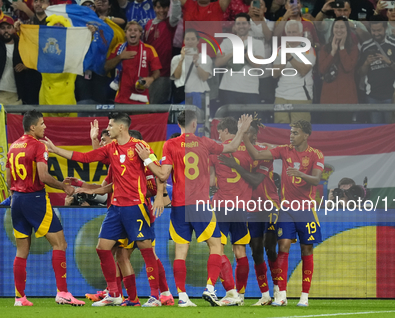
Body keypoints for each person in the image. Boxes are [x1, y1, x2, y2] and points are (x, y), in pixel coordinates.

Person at [42, 112, 164, 307]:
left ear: (121, 127)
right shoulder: (110, 149)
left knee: (146, 250)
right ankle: (114, 294)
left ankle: (156, 297)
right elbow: (85, 157)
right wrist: (56, 150)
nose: (107, 128)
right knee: (102, 247)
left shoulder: (141, 147)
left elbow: (161, 174)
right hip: (115, 208)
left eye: (110, 125)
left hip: (135, 206)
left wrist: (158, 195)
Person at [138, 110, 251, 306]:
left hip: (180, 206)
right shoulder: (204, 142)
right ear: (194, 124)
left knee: (181, 251)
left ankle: (182, 297)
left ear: (178, 124)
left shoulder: (170, 144)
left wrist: (147, 159)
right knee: (216, 246)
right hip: (200, 204)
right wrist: (241, 130)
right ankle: (210, 288)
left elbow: (163, 176)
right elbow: (232, 146)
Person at [7, 110, 84, 307]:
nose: (45, 127)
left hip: (16, 200)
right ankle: (63, 293)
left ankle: (19, 298)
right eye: (42, 123)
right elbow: (43, 176)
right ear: (32, 127)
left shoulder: (13, 147)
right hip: (35, 199)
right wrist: (64, 186)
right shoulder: (38, 146)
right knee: (60, 244)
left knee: (21, 251)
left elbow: (8, 180)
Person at [243, 119, 324, 307]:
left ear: (305, 135)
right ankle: (282, 295)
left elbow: (316, 179)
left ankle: (304, 296)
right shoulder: (284, 150)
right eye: (291, 132)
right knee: (283, 246)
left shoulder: (316, 154)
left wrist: (301, 175)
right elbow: (256, 153)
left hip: (306, 210)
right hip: (286, 209)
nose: (291, 136)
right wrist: (245, 136)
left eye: (295, 133)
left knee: (307, 249)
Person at [209, 117, 255, 306]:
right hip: (242, 207)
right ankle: (241, 295)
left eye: (220, 131)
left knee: (217, 248)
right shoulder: (250, 151)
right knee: (240, 251)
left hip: (222, 205)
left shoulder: (217, 151)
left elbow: (211, 182)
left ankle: (230, 291)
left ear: (226, 131)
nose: (218, 135)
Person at [358, 18, 395, 124]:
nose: (376, 33)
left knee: (391, 130)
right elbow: (360, 73)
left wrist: (389, 62)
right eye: (373, 30)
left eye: (379, 30)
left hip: (392, 95)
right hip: (371, 95)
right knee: (376, 131)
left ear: (386, 28)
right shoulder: (365, 46)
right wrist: (366, 63)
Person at [105, 21, 162, 104]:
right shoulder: (119, 48)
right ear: (125, 33)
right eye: (130, 30)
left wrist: (151, 78)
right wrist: (120, 57)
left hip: (141, 99)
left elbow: (157, 71)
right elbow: (106, 66)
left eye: (135, 30)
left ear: (140, 34)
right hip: (121, 99)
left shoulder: (149, 49)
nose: (132, 32)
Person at [216, 13, 264, 106]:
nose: (241, 26)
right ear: (234, 27)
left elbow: (258, 65)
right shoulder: (226, 42)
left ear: (249, 26)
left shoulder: (257, 43)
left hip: (250, 90)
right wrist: (233, 52)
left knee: (250, 120)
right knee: (230, 120)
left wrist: (245, 52)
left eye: (244, 23)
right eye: (238, 24)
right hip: (228, 88)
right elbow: (218, 62)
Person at [318, 17, 359, 123]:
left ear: (347, 30)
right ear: (332, 29)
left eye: (342, 27)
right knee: (329, 132)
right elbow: (322, 69)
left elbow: (348, 67)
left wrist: (341, 48)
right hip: (328, 98)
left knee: (345, 132)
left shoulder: (353, 48)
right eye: (336, 27)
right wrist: (332, 52)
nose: (339, 30)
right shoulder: (325, 48)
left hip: (347, 98)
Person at [144, 0, 181, 104]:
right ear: (154, 8)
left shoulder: (169, 23)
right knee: (144, 105)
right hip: (147, 71)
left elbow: (175, 15)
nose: (162, 10)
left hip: (162, 73)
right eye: (159, 7)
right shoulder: (148, 24)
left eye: (165, 8)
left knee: (157, 106)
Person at [170, 29, 213, 106]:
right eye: (187, 39)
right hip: (182, 94)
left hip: (200, 94)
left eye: (193, 39)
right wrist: (181, 59)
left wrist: (196, 64)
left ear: (198, 41)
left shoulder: (206, 58)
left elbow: (204, 77)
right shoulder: (176, 58)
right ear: (183, 41)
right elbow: (176, 76)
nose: (190, 42)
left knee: (198, 117)